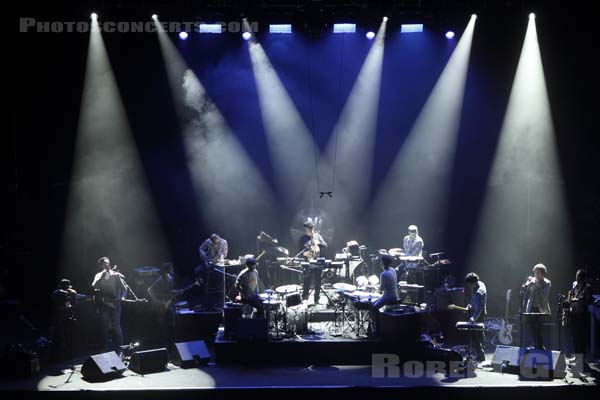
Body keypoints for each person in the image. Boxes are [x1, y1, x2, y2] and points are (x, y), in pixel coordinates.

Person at [92, 257, 127, 353]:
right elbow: (94, 286)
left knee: (116, 326)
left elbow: (124, 289)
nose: (107, 265)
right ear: (100, 266)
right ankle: (105, 348)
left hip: (115, 304)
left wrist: (121, 298)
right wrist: (101, 277)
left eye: (108, 263)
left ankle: (120, 348)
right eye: (104, 264)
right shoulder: (98, 275)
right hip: (104, 304)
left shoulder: (116, 275)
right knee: (105, 326)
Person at [147, 262, 184, 351]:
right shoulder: (160, 280)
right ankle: (164, 348)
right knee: (164, 327)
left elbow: (170, 292)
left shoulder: (170, 279)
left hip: (169, 305)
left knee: (171, 326)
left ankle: (171, 347)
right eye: (171, 269)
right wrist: (157, 301)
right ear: (168, 270)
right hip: (161, 307)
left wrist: (178, 292)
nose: (173, 270)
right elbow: (150, 290)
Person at [564, 269, 593, 377]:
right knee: (575, 337)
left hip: (582, 315)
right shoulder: (575, 286)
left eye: (579, 276)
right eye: (576, 276)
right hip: (574, 314)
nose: (577, 278)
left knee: (581, 338)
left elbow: (588, 301)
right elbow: (572, 297)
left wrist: (577, 301)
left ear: (583, 277)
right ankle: (577, 357)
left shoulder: (588, 288)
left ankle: (581, 359)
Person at [522, 263, 551, 350]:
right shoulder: (532, 281)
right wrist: (528, 284)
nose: (536, 274)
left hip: (541, 309)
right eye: (535, 272)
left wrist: (537, 285)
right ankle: (537, 346)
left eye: (538, 272)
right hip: (531, 308)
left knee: (538, 329)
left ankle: (540, 348)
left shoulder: (547, 283)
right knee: (532, 328)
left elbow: (544, 295)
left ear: (542, 273)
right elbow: (527, 292)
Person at [298, 221, 328, 304]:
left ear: (312, 229)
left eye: (310, 229)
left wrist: (318, 243)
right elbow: (300, 250)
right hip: (307, 261)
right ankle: (305, 298)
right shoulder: (302, 238)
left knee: (318, 281)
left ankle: (316, 299)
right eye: (307, 228)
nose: (308, 230)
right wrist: (305, 253)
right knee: (306, 281)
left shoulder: (317, 236)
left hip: (317, 261)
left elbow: (325, 245)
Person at [370, 255, 398, 337]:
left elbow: (381, 289)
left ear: (382, 263)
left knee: (374, 307)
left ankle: (378, 330)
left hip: (389, 296)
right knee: (373, 304)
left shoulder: (383, 274)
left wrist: (374, 287)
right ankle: (378, 325)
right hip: (394, 294)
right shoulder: (392, 270)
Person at [50, 279, 78, 361]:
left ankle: (65, 355)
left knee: (66, 336)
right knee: (62, 336)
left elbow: (74, 305)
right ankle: (61, 355)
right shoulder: (57, 293)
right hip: (61, 317)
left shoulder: (71, 292)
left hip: (66, 317)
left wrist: (68, 307)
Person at [465, 272, 487, 362]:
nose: (469, 286)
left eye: (470, 284)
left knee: (476, 336)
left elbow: (479, 308)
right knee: (480, 334)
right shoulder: (479, 283)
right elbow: (474, 301)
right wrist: (469, 305)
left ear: (473, 283)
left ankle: (480, 356)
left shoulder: (479, 291)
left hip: (479, 314)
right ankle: (481, 354)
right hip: (476, 312)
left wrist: (474, 318)